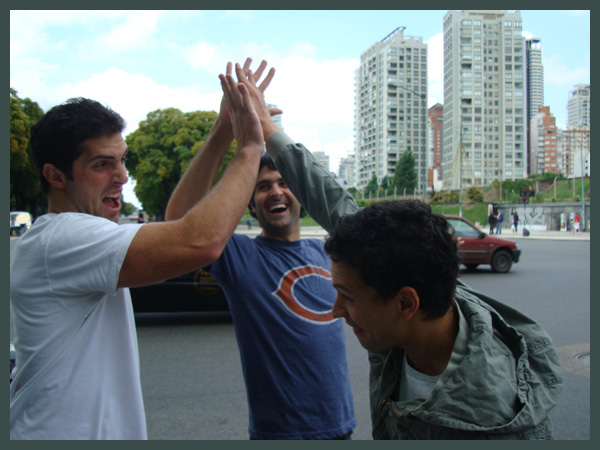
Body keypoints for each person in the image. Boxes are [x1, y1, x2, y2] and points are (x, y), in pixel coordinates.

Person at [226, 61, 564, 439]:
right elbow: (337, 204)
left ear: (406, 304)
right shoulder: (429, 302)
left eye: (348, 297)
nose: (336, 311)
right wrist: (266, 128)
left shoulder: (492, 426)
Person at [9, 80, 265, 440]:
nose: (123, 177)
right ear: (56, 176)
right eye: (102, 165)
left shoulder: (67, 238)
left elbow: (179, 226)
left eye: (122, 160)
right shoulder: (63, 237)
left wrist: (222, 130)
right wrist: (251, 149)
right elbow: (200, 240)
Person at [164, 59, 355, 440]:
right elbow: (179, 220)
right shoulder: (240, 257)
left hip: (342, 429)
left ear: (301, 195)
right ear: (250, 205)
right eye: (263, 186)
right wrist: (224, 130)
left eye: (284, 182)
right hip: (279, 434)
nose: (276, 191)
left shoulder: (329, 254)